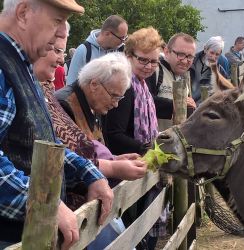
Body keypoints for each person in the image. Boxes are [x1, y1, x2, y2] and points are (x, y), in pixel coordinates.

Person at [0, 1, 113, 249]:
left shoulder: (21, 64)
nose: (62, 32)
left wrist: (88, 172)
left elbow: (42, 144)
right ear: (23, 13)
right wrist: (41, 203)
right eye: (57, 20)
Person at [35, 37, 147, 250]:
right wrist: (113, 167)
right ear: (94, 85)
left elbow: (82, 152)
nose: (61, 59)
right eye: (55, 49)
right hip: (68, 214)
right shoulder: (64, 103)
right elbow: (60, 154)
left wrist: (113, 160)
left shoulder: (84, 103)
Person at [102, 27, 164, 250]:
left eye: (154, 62)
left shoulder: (142, 85)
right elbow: (114, 135)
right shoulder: (126, 86)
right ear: (128, 56)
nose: (148, 66)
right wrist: (146, 147)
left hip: (137, 165)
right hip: (125, 169)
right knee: (134, 232)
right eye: (143, 60)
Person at [146, 32, 197, 131]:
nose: (185, 61)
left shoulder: (185, 77)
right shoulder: (153, 70)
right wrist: (175, 105)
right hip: (154, 142)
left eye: (190, 56)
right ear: (166, 51)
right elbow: (144, 100)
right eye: (181, 54)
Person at [66, 14, 128, 85]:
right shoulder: (84, 51)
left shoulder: (121, 51)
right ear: (107, 34)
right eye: (122, 38)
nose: (123, 42)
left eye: (125, 37)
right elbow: (70, 86)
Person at [190, 36, 228, 103]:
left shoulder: (220, 72)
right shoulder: (190, 62)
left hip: (206, 108)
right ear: (205, 49)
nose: (213, 58)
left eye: (217, 54)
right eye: (212, 53)